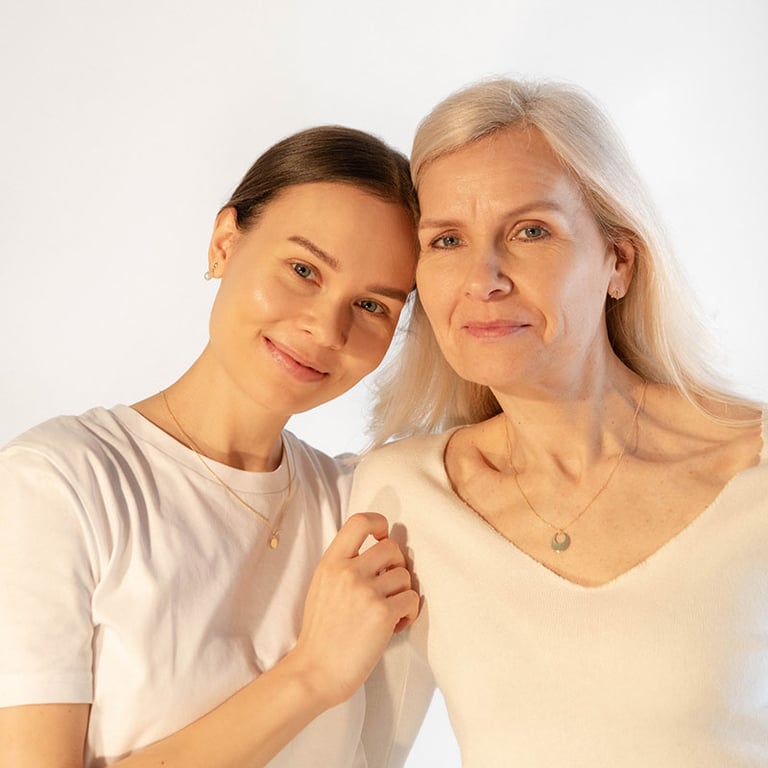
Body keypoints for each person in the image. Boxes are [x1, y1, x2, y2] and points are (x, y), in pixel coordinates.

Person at [351, 78, 767, 768]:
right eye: (447, 239)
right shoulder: (400, 497)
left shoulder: (752, 466)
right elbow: (360, 755)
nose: (483, 278)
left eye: (531, 231)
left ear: (618, 261)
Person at [0, 125, 422, 767]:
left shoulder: (363, 505)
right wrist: (310, 676)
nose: (326, 327)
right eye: (303, 270)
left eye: (371, 305)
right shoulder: (60, 484)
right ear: (226, 243)